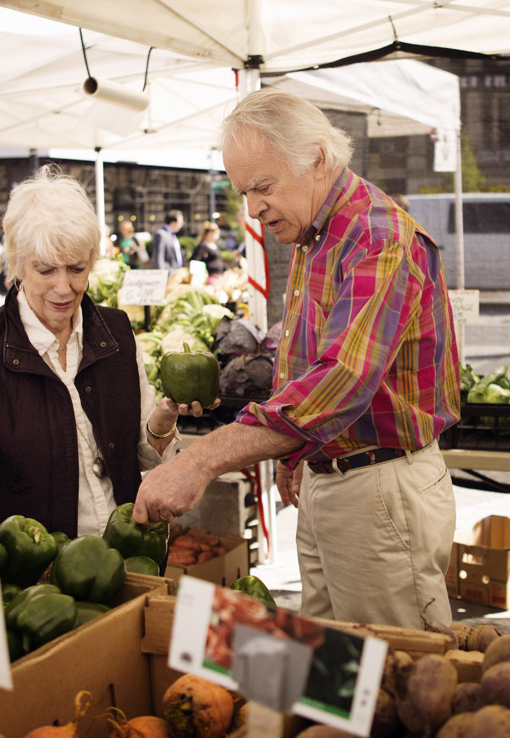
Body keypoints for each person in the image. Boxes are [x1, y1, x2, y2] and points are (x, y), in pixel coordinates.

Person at [133, 88, 462, 629]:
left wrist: (199, 459)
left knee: (392, 678)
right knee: (333, 673)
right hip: (333, 480)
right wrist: (295, 455)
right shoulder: (318, 234)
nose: (252, 208)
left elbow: (341, 379)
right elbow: (311, 358)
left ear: (318, 159)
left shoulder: (374, 237)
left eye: (262, 186)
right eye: (243, 191)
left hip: (378, 489)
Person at [0, 165, 215, 536]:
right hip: (33, 572)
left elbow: (139, 449)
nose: (64, 288)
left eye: (76, 268)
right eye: (45, 270)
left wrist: (163, 420)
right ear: (17, 263)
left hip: (129, 554)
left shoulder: (117, 331)